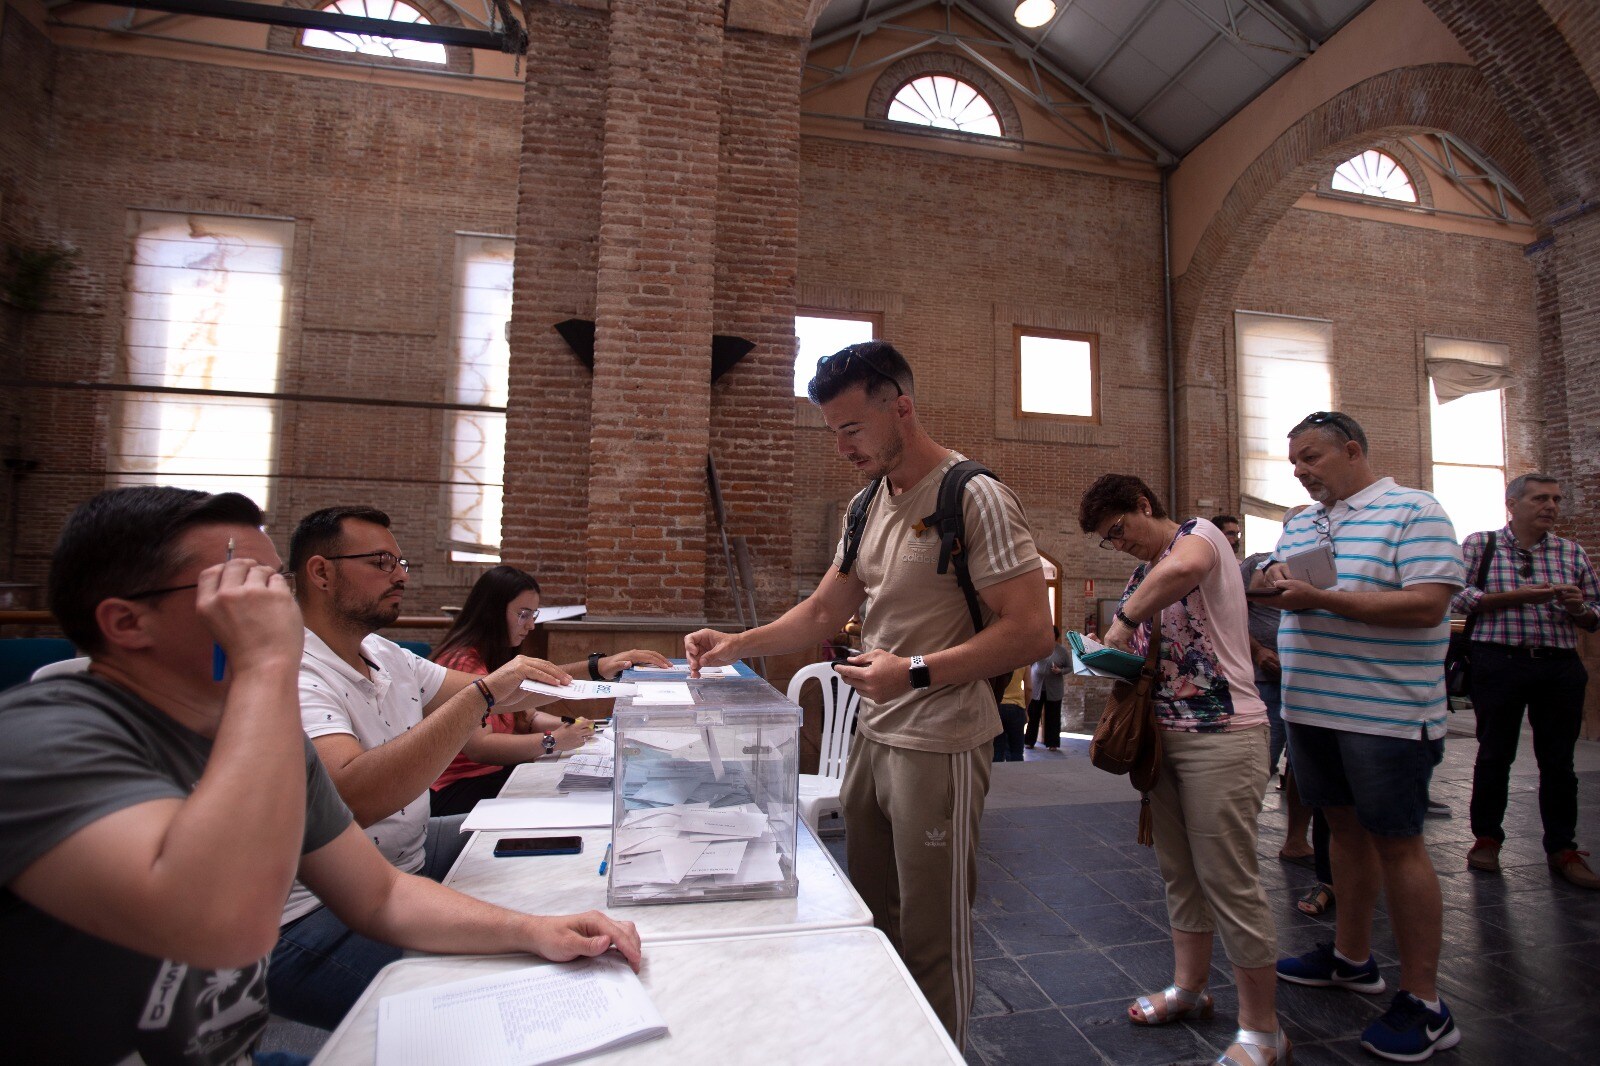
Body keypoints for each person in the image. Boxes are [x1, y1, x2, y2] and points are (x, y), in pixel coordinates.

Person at [0, 487, 641, 1065]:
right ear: (126, 621)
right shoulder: (42, 738)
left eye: (270, 582)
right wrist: (263, 669)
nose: (275, 606)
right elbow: (220, 924)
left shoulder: (262, 725)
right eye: (238, 588)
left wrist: (533, 931)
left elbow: (381, 894)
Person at [685, 341, 1052, 1049]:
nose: (842, 448)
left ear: (902, 409)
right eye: (833, 433)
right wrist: (736, 643)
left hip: (940, 738)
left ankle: (939, 1050)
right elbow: (823, 613)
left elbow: (1033, 632)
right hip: (875, 737)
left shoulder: (970, 495)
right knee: (872, 916)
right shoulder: (865, 506)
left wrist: (911, 671)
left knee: (932, 932)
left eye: (852, 430)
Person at [271, 506, 657, 1028]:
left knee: (558, 837)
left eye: (400, 561)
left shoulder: (381, 652)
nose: (402, 575)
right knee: (499, 996)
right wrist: (488, 695)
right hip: (317, 908)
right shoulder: (295, 670)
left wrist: (595, 668)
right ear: (320, 573)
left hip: (405, 850)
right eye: (383, 562)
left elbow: (503, 694)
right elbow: (352, 798)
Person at [1263, 411, 1464, 1063]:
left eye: (1313, 456)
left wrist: (1322, 600)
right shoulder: (1300, 521)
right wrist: (1272, 582)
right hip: (1312, 706)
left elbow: (1428, 604)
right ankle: (1352, 959)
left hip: (1387, 713)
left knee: (1399, 843)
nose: (1300, 469)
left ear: (1354, 449)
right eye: (1295, 460)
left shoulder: (1415, 511)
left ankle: (1427, 1003)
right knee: (1340, 829)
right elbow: (1280, 582)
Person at [1084, 475, 1287, 1066]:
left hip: (1223, 736)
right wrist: (1108, 651)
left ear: (1145, 506)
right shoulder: (1139, 574)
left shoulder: (1199, 538)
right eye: (1107, 540)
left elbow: (1181, 573)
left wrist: (1122, 618)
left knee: (1229, 880)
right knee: (1180, 875)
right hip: (1165, 739)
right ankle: (1190, 989)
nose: (1117, 544)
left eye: (1119, 530)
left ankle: (1264, 1030)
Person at [428, 564, 672, 816]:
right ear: (491, 612)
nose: (531, 625)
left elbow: (528, 715)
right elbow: (480, 747)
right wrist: (553, 741)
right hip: (458, 789)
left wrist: (575, 725)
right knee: (565, 801)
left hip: (492, 776)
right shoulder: (461, 663)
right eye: (523, 614)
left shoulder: (496, 656)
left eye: (534, 615)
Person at [1454, 473, 1600, 888]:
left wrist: (1578, 608)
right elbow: (1456, 595)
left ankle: (1562, 849)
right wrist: (1517, 598)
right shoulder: (1480, 545)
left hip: (1558, 665)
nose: (1551, 506)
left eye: (1555, 498)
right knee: (1495, 754)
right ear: (1512, 504)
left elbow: (1594, 611)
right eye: (1540, 498)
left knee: (1559, 762)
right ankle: (1486, 838)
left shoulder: (1570, 552)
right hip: (1498, 662)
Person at [1024, 628, 1071, 751]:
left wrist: (1060, 671)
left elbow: (1069, 667)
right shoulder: (1038, 648)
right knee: (1033, 716)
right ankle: (1029, 741)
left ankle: (1052, 743)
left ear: (1055, 637)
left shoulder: (1061, 651)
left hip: (1054, 689)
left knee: (1053, 717)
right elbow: (1028, 663)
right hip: (1036, 688)